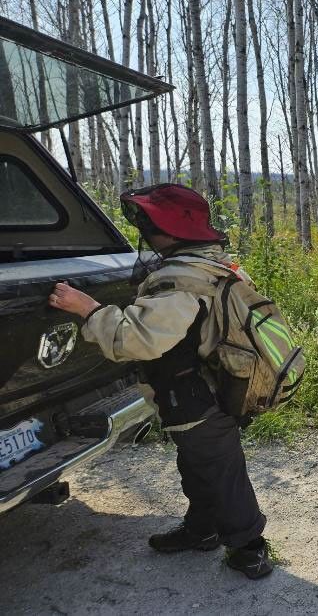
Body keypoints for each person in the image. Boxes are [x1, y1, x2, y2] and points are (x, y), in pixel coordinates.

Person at [47, 184, 273, 579]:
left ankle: (250, 549)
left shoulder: (180, 281)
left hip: (194, 395)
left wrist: (88, 309)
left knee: (220, 469)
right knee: (199, 463)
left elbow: (136, 340)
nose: (145, 230)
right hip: (218, 387)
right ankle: (202, 530)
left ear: (171, 230)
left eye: (150, 222)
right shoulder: (215, 264)